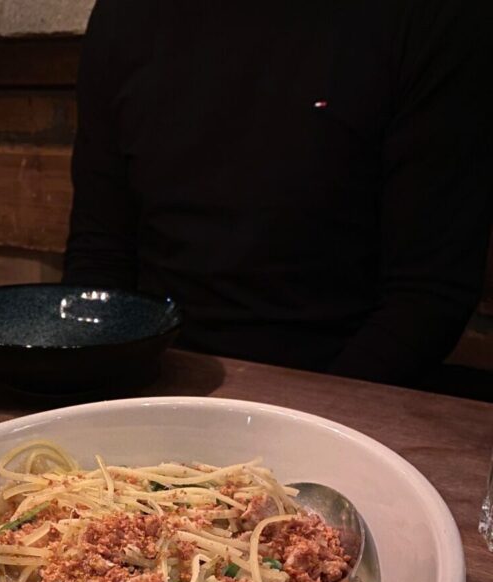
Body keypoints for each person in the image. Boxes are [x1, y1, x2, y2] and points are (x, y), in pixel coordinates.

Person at [63, 0, 493, 385]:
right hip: (155, 380)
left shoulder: (432, 14)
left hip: (344, 389)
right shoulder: (124, 17)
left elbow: (427, 296)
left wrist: (311, 423)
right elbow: (100, 255)